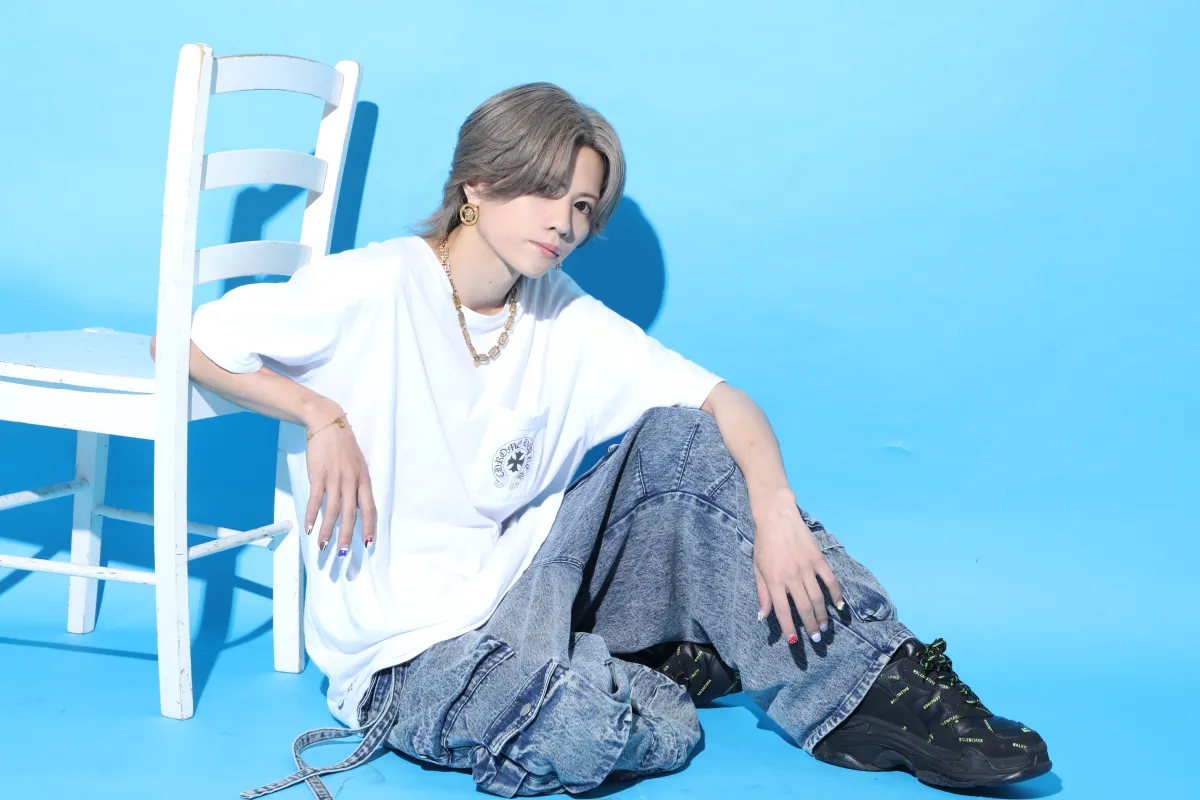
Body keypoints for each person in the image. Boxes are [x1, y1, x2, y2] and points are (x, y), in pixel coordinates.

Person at [165, 82, 1051, 797]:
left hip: (527, 589)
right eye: (545, 189)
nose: (564, 220)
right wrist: (319, 413)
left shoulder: (562, 314)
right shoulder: (375, 285)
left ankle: (876, 687)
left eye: (583, 205)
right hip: (407, 657)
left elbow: (726, 402)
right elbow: (188, 343)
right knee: (589, 734)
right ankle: (643, 674)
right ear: (478, 184)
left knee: (684, 444)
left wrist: (776, 510)